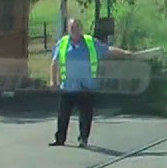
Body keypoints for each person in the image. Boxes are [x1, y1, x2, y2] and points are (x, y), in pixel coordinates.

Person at [49, 18, 135, 148]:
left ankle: (83, 139)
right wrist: (53, 80)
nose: (74, 30)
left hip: (86, 87)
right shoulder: (63, 43)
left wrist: (125, 53)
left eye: (77, 27)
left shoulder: (90, 43)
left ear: (81, 29)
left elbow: (108, 50)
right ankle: (60, 139)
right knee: (63, 115)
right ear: (68, 29)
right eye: (72, 28)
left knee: (85, 116)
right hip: (68, 87)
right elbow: (54, 63)